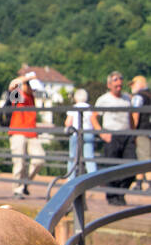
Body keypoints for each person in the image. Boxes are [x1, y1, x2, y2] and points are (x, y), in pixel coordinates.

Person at [92, 71, 135, 205]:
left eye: (120, 80)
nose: (119, 83)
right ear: (109, 84)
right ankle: (112, 197)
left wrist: (133, 133)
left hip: (126, 135)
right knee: (112, 167)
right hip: (112, 135)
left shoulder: (127, 98)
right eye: (116, 80)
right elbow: (93, 117)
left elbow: (131, 117)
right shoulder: (104, 99)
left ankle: (121, 193)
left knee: (132, 166)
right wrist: (102, 133)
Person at [6, 73, 44, 197]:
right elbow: (12, 85)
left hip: (32, 132)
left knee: (39, 159)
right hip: (17, 131)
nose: (33, 91)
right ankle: (17, 189)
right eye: (31, 88)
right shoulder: (18, 94)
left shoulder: (32, 98)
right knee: (19, 162)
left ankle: (25, 183)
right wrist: (28, 78)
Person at [64, 88, 97, 175]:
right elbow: (93, 121)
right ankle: (92, 177)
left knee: (73, 157)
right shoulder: (90, 107)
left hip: (76, 134)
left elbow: (68, 123)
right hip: (89, 132)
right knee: (89, 157)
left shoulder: (74, 108)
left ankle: (70, 177)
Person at [130, 75, 151, 173]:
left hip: (142, 130)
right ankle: (139, 182)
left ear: (140, 84)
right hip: (148, 129)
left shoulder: (138, 97)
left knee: (144, 158)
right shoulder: (149, 94)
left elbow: (135, 114)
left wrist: (133, 132)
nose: (131, 87)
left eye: (133, 84)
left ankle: (148, 184)